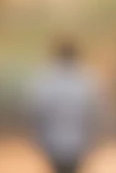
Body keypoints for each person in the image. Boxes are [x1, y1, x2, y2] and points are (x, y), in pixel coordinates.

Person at [27, 39, 101, 173]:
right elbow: (94, 114)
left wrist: (37, 140)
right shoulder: (86, 81)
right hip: (79, 143)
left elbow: (36, 114)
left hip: (52, 142)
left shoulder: (45, 80)